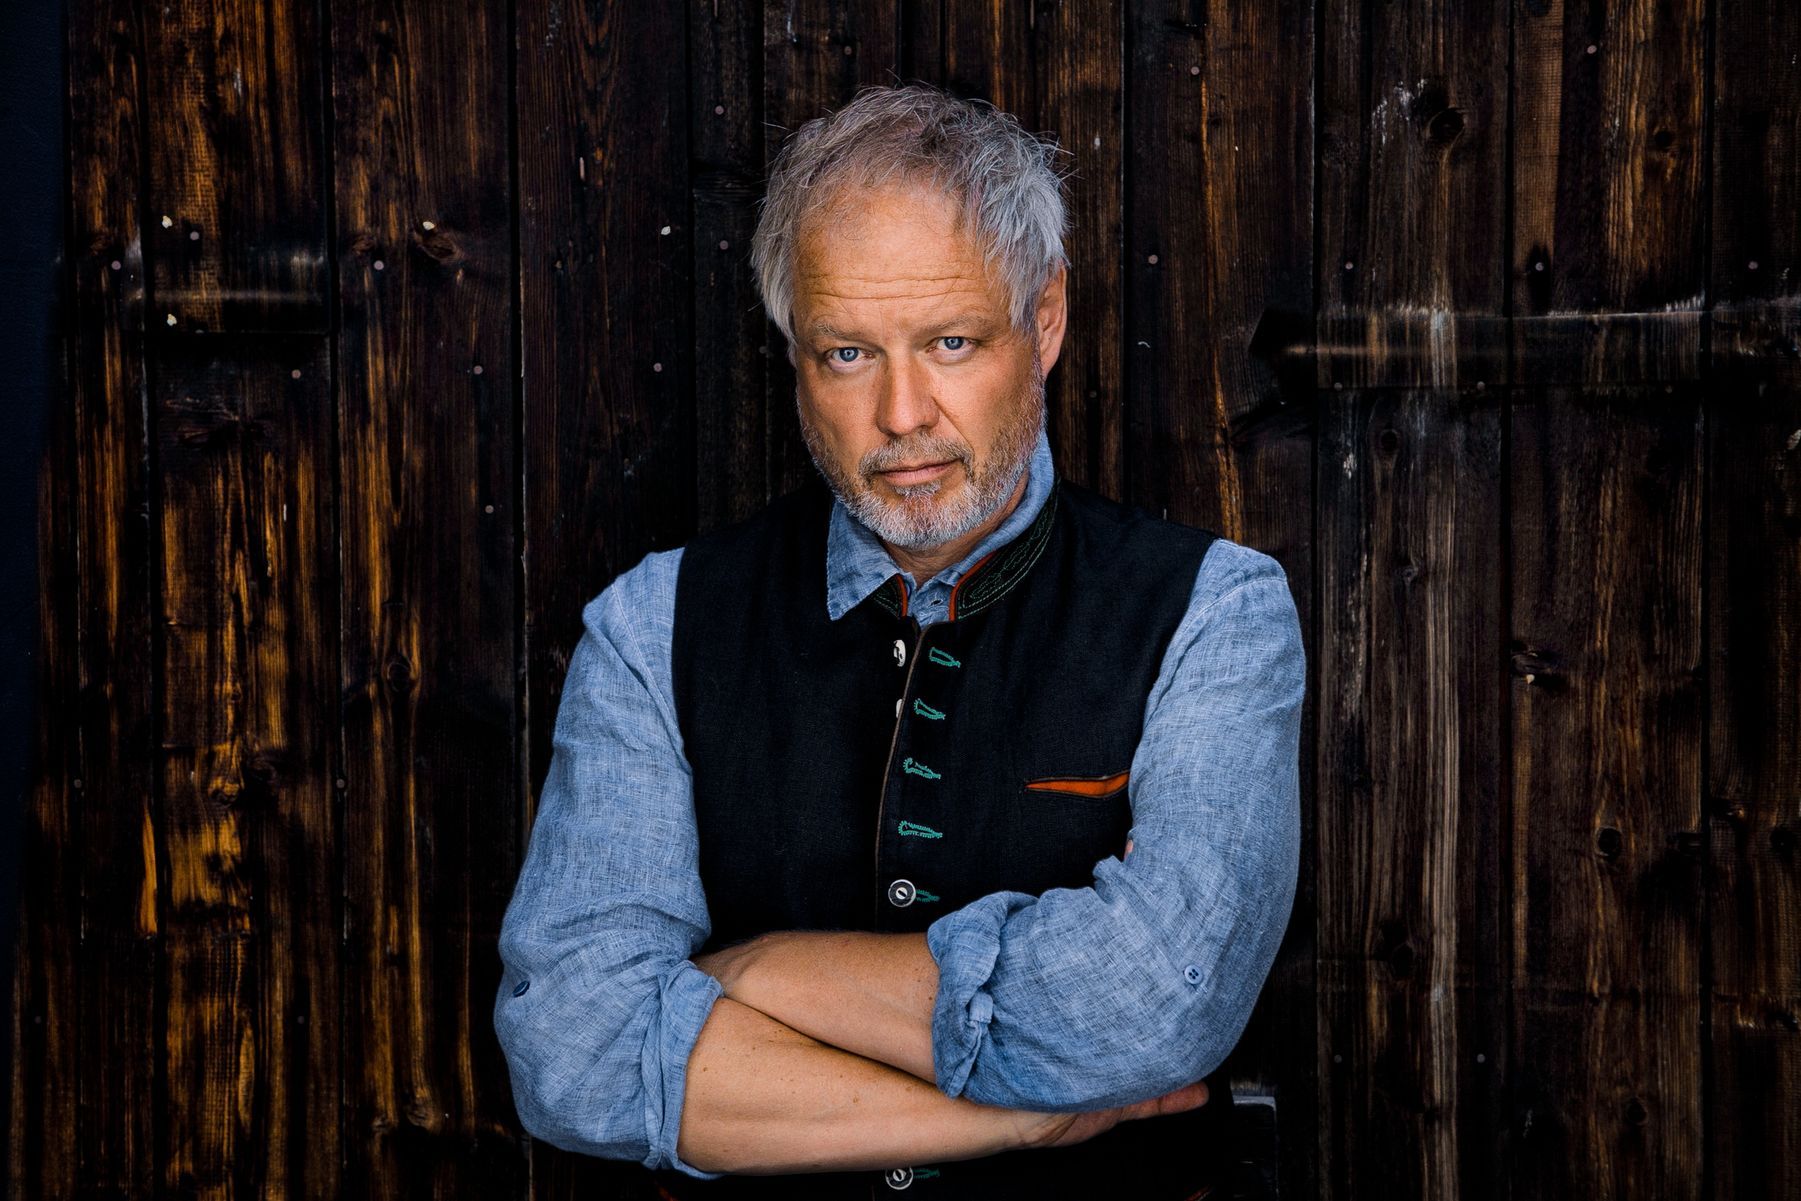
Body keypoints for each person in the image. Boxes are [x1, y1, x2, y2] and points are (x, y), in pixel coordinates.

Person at [493, 82, 1303, 1200]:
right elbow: (574, 1053)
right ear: (793, 350)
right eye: (846, 354)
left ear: (1045, 320)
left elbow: (1156, 1003)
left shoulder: (1214, 612)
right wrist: (1014, 1122)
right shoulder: (653, 624)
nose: (903, 413)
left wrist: (760, 971)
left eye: (951, 341)